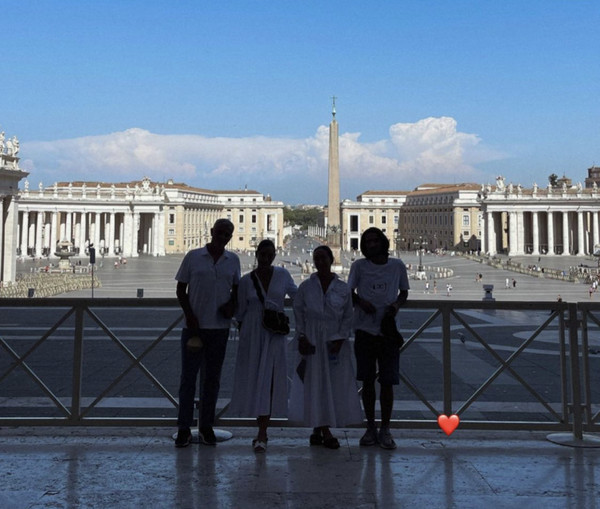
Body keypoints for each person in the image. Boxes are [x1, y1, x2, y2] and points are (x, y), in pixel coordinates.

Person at [174, 218, 240, 448]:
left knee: (212, 381)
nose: (222, 237)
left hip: (220, 329)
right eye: (220, 232)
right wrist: (189, 314)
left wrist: (232, 305)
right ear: (212, 232)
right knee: (188, 380)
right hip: (193, 328)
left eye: (227, 234)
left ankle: (206, 427)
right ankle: (183, 428)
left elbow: (237, 290)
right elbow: (181, 289)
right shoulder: (193, 256)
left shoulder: (233, 260)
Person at [289, 245, 363, 449]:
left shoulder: (342, 288)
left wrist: (341, 338)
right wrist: (302, 336)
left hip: (334, 342)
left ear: (331, 260)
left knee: (332, 385)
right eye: (316, 258)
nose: (319, 262)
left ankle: (318, 427)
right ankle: (325, 431)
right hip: (312, 340)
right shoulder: (305, 287)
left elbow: (348, 316)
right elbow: (298, 314)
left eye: (323, 258)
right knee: (314, 383)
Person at [228, 239, 297, 452]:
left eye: (270, 254)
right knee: (257, 378)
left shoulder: (283, 275)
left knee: (272, 378)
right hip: (252, 334)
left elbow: (298, 297)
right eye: (263, 254)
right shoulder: (246, 281)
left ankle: (263, 432)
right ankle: (260, 430)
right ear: (256, 254)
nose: (266, 258)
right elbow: (238, 311)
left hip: (274, 334)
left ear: (274, 255)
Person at [348, 227, 409, 449]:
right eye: (368, 241)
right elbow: (349, 292)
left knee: (387, 382)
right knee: (367, 382)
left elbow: (404, 292)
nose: (372, 244)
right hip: (364, 330)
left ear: (383, 242)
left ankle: (385, 429)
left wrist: (395, 305)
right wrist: (360, 302)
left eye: (375, 240)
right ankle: (371, 428)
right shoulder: (358, 266)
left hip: (388, 331)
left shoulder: (397, 266)